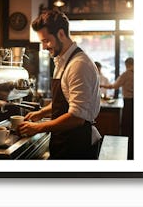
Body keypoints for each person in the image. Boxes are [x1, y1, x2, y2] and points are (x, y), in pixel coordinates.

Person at [18, 10, 101, 159]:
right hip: (63, 142)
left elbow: (76, 117)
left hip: (77, 146)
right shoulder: (61, 61)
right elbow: (64, 102)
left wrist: (38, 128)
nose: (43, 47)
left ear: (61, 34)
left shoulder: (79, 65)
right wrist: (41, 113)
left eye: (46, 40)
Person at [100, 57, 134, 159]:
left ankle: (128, 151)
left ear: (126, 64)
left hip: (128, 102)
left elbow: (114, 86)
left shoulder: (126, 74)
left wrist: (101, 86)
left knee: (127, 126)